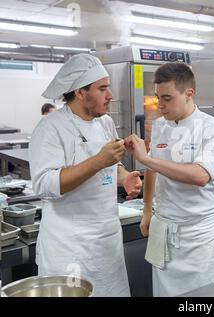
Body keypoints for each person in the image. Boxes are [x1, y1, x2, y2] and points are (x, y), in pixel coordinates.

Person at [29, 53, 142, 297]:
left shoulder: (105, 123)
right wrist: (98, 161)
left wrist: (123, 177)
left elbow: (113, 165)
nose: (110, 95)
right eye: (102, 89)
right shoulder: (51, 128)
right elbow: (44, 185)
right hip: (70, 247)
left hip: (106, 241)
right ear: (80, 92)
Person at [124, 62, 214, 297]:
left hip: (197, 234)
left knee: (202, 298)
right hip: (164, 226)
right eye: (158, 97)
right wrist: (147, 210)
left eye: (167, 98)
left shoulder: (213, 128)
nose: (160, 105)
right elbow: (153, 171)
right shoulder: (160, 125)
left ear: (188, 94)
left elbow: (201, 176)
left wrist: (147, 160)